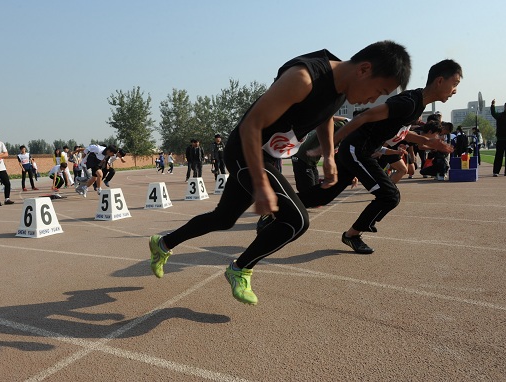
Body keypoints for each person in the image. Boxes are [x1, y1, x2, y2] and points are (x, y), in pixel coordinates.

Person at [148, 41, 412, 305]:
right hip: (245, 149)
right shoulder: (303, 78)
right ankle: (240, 269)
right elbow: (251, 125)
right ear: (364, 70)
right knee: (296, 220)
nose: (374, 100)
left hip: (269, 154)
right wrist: (261, 184)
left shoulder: (343, 85)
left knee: (224, 218)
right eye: (379, 91)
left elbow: (325, 116)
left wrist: (329, 156)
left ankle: (162, 244)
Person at [300, 59, 461, 254]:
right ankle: (352, 235)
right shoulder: (408, 102)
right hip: (356, 150)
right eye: (455, 84)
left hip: (360, 151)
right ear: (440, 81)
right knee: (389, 196)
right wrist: (328, 147)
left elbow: (401, 133)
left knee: (325, 195)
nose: (455, 91)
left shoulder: (417, 104)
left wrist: (428, 142)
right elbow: (363, 117)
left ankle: (278, 208)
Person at [491, 99, 506, 176]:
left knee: (498, 156)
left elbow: (494, 113)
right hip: (501, 139)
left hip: (501, 139)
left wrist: (493, 105)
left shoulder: (500, 116)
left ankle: (496, 171)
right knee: (498, 156)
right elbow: (494, 113)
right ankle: (496, 171)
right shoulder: (500, 116)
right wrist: (493, 106)